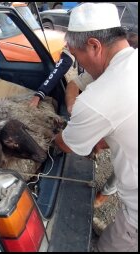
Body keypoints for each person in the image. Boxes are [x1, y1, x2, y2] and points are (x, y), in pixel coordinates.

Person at [54, 2, 138, 252]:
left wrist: (53, 137)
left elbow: (67, 144)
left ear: (94, 45)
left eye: (76, 54)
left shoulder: (101, 96)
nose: (78, 62)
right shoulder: (129, 62)